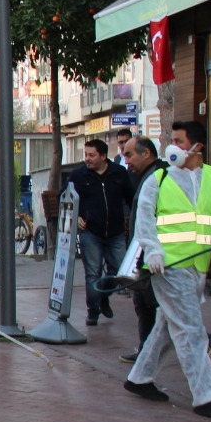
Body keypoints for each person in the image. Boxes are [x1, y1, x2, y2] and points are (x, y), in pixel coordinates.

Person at [124, 120, 211, 418]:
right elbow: (144, 219)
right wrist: (152, 250)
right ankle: (207, 397)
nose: (171, 146)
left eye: (177, 140)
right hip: (167, 267)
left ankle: (139, 378)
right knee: (191, 330)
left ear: (197, 146)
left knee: (168, 325)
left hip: (198, 267)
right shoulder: (159, 179)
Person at [67, 138, 135, 326]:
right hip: (91, 232)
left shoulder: (119, 173)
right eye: (85, 155)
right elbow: (64, 198)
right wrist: (76, 215)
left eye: (92, 155)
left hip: (115, 232)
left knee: (120, 270)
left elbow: (131, 198)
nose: (87, 159)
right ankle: (93, 310)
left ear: (103, 156)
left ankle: (103, 294)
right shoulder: (79, 176)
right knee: (92, 273)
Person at [119, 135, 166, 364]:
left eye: (129, 154)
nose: (126, 161)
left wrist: (151, 251)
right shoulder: (146, 176)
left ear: (146, 153)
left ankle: (202, 340)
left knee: (156, 304)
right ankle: (146, 351)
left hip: (155, 255)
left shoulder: (160, 177)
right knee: (144, 303)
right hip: (144, 253)